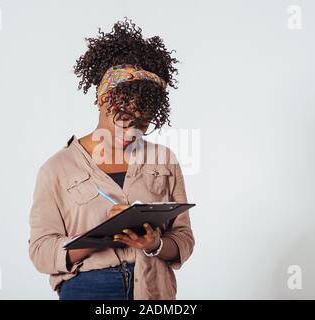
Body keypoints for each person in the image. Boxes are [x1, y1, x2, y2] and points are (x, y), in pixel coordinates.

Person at [28, 18, 194, 300]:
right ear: (103, 100)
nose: (133, 130)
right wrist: (103, 235)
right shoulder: (56, 169)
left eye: (143, 122)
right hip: (90, 288)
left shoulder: (163, 160)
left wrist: (154, 244)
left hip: (153, 288)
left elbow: (184, 240)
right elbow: (41, 252)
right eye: (125, 117)